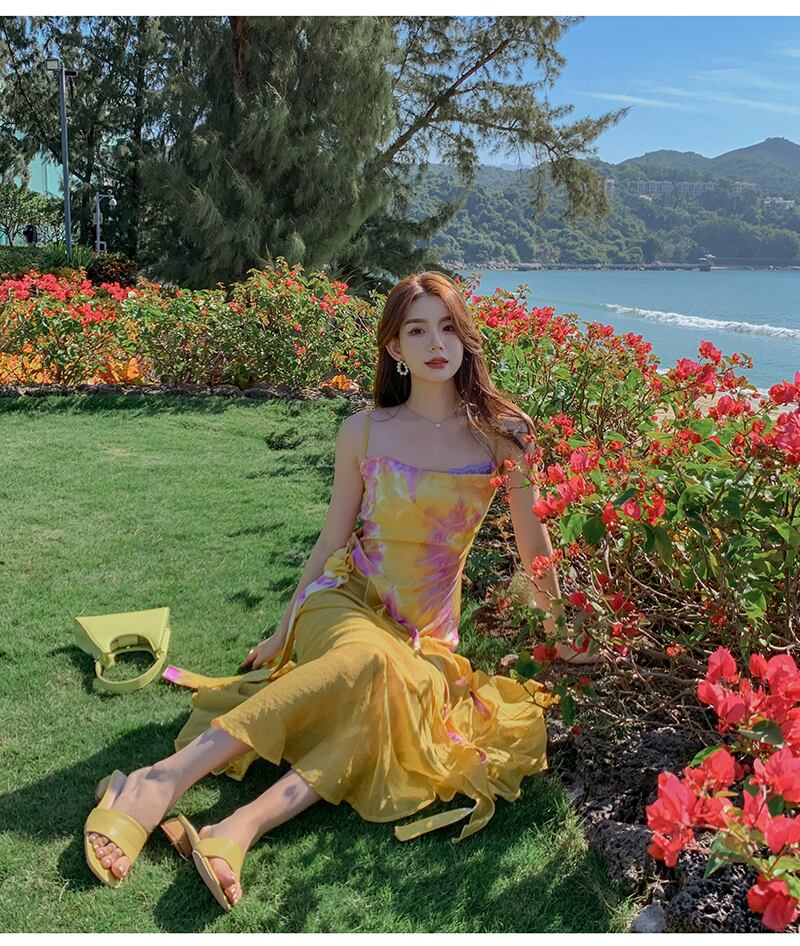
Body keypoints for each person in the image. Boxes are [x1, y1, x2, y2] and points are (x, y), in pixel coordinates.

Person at [84, 271, 601, 909]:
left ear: (465, 337)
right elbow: (332, 538)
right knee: (367, 663)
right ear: (394, 347)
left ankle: (239, 826)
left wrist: (559, 629)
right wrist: (283, 630)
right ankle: (161, 780)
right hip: (344, 600)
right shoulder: (364, 430)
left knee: (379, 698)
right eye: (417, 330)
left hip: (425, 639)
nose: (436, 343)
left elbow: (533, 543)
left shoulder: (504, 432)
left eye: (448, 327)